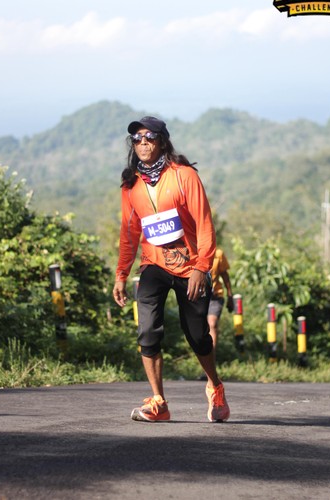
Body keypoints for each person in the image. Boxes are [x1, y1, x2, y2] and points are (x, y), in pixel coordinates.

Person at [112, 116, 230, 423]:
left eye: (149, 137)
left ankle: (215, 385)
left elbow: (204, 223)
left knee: (198, 336)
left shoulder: (184, 175)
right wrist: (121, 274)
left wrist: (201, 267)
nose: (142, 143)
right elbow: (129, 233)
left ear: (162, 141)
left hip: (190, 266)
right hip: (153, 264)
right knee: (148, 331)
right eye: (136, 139)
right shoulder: (131, 184)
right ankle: (159, 402)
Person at [208, 248, 234, 350]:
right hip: (198, 296)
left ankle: (212, 354)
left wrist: (230, 295)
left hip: (215, 295)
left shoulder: (218, 254)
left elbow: (224, 275)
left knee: (212, 323)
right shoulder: (191, 251)